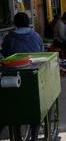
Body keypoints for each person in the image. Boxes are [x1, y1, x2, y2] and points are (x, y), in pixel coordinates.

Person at [0, 12, 43, 140]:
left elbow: (5, 55)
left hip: (12, 77)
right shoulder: (35, 35)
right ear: (28, 22)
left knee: (14, 107)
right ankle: (34, 135)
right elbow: (41, 51)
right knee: (35, 108)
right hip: (33, 75)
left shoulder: (9, 38)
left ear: (15, 23)